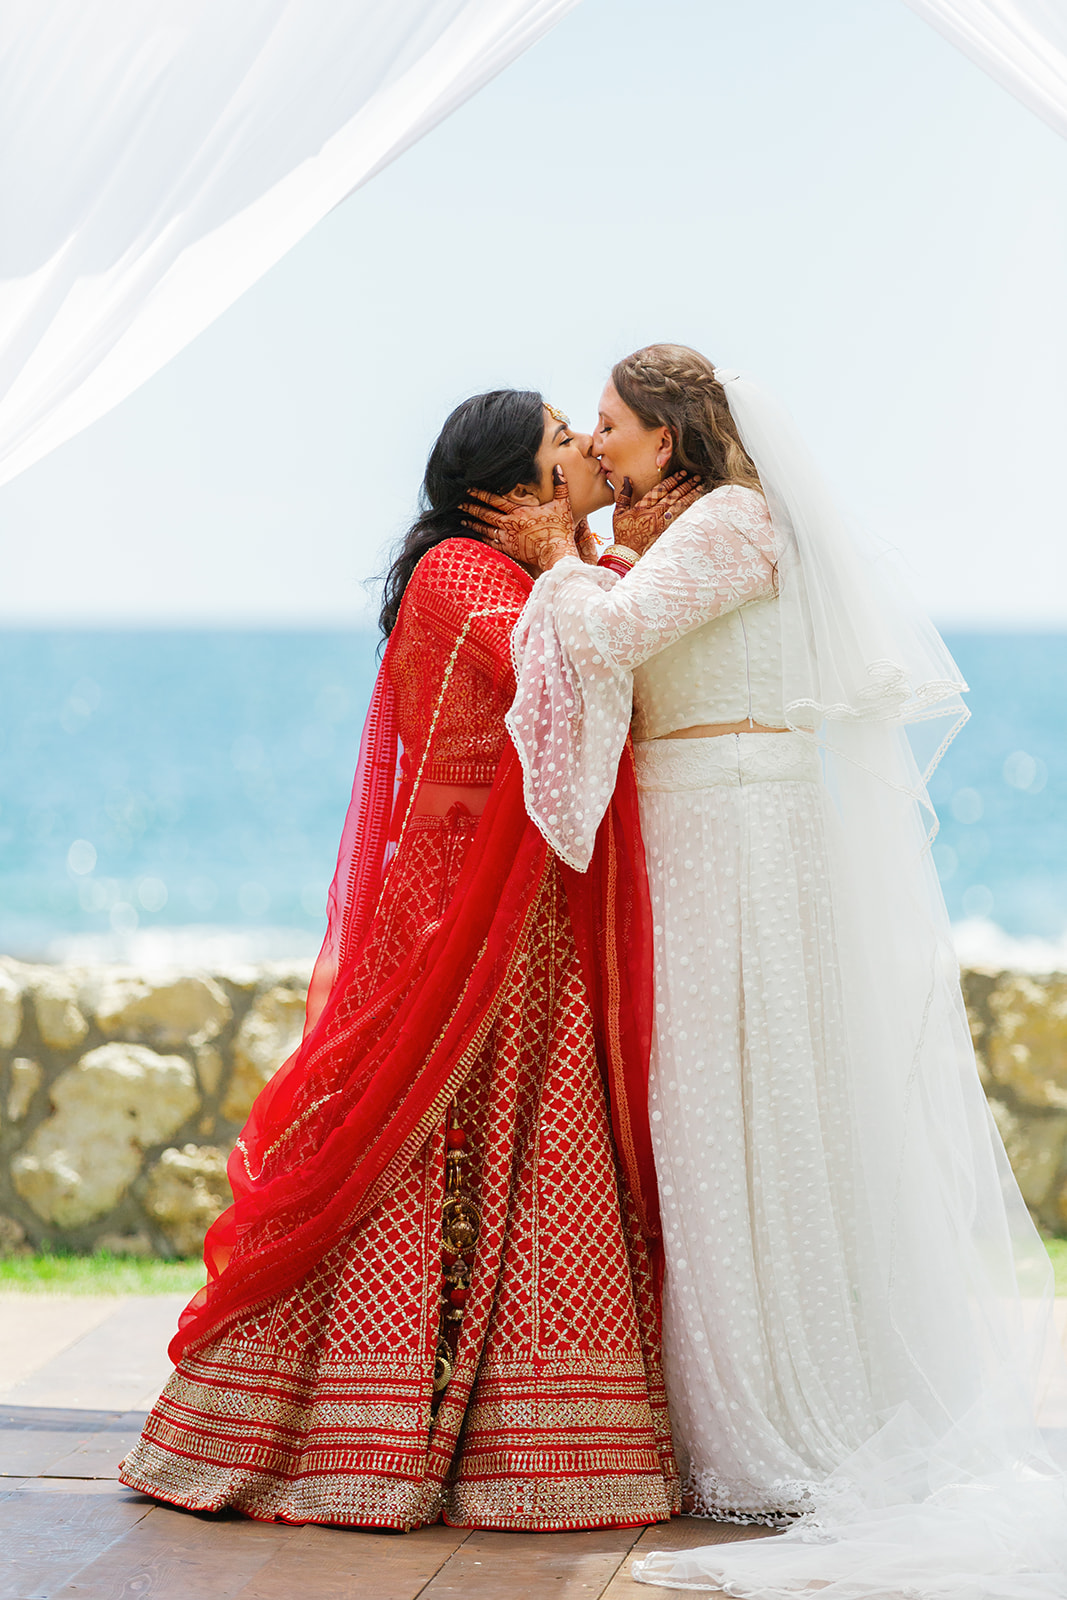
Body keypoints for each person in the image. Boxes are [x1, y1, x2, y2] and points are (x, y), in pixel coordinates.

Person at [465, 346, 1067, 1596]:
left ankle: (780, 1414)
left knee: (752, 1111)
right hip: (692, 828)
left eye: (615, 425)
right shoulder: (663, 529)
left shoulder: (734, 523)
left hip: (739, 825)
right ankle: (713, 1407)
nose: (596, 444)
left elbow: (621, 632)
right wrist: (581, 557)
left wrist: (557, 561)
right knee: (696, 1118)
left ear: (669, 440)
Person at [119, 389, 692, 1532]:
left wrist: (611, 558)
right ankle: (354, 1435)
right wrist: (624, 565)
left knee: (541, 1140)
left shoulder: (546, 571)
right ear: (507, 483)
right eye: (559, 443)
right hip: (452, 916)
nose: (582, 448)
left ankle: (530, 1436)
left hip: (535, 909)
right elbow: (560, 669)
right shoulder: (462, 575)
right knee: (411, 1137)